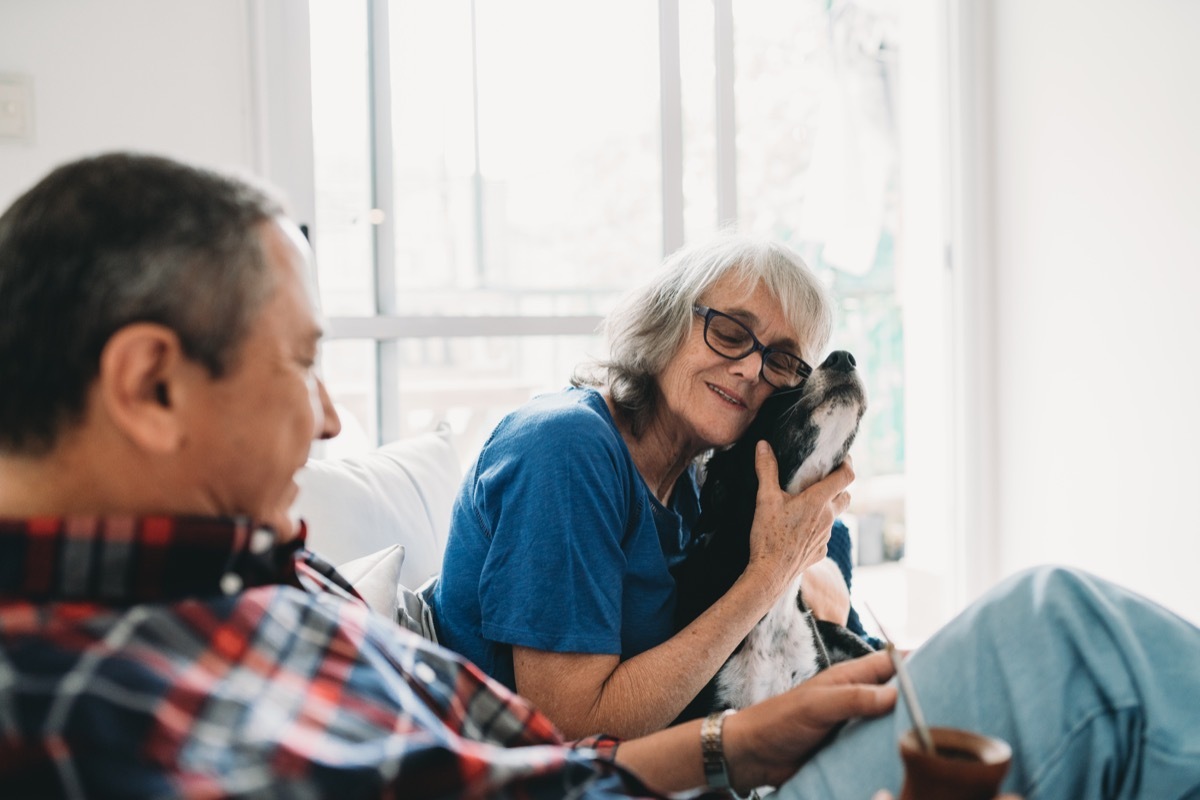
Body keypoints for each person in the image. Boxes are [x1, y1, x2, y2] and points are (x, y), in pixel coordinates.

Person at [1, 153, 1197, 800]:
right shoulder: (82, 707)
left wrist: (746, 740)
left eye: (777, 357)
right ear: (152, 384)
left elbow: (539, 756)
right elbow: (566, 718)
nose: (331, 413)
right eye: (304, 363)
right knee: (1070, 635)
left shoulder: (263, 574)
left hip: (681, 771)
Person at [431, 233, 876, 739]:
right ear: (664, 321)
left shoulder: (690, 482)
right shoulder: (564, 449)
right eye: (731, 332)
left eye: (779, 360)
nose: (751, 368)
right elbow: (572, 734)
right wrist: (771, 573)